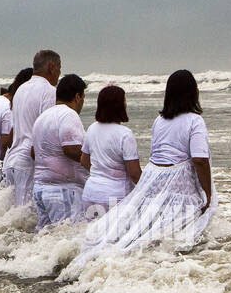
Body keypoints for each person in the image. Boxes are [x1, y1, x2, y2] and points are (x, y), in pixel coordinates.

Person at [65, 70, 216, 275]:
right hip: (178, 184)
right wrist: (207, 193)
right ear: (192, 93)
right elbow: (199, 159)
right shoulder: (194, 121)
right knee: (177, 232)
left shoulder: (159, 121)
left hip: (152, 181)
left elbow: (156, 155)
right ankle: (165, 270)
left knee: (143, 228)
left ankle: (108, 265)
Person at [3, 50, 62, 207]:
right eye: (59, 67)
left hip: (12, 161)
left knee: (15, 216)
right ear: (51, 67)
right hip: (28, 163)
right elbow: (47, 129)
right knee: (27, 218)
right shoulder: (49, 91)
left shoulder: (20, 90)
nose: (59, 73)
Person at [30, 74, 88, 229]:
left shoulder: (43, 117)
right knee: (68, 236)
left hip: (40, 188)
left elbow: (33, 152)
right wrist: (95, 166)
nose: (82, 102)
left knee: (47, 237)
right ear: (77, 97)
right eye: (83, 97)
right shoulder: (69, 115)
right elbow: (70, 149)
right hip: (62, 190)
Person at [80, 85, 141, 216]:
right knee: (116, 235)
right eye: (124, 100)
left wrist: (101, 172)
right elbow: (134, 174)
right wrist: (149, 189)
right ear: (119, 105)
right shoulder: (125, 134)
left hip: (90, 193)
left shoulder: (92, 129)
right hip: (114, 196)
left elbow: (84, 161)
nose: (126, 104)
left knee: (91, 234)